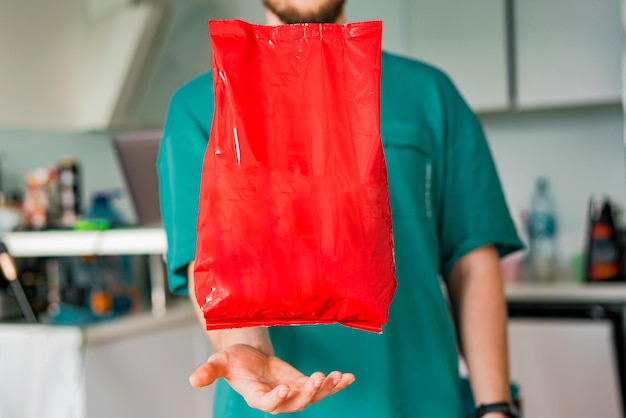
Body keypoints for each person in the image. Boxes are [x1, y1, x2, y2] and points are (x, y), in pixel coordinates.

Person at [157, 0, 524, 417]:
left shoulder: (428, 95)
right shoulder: (199, 106)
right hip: (271, 406)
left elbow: (472, 257)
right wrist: (246, 346)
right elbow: (207, 262)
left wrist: (495, 405)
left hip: (419, 401)